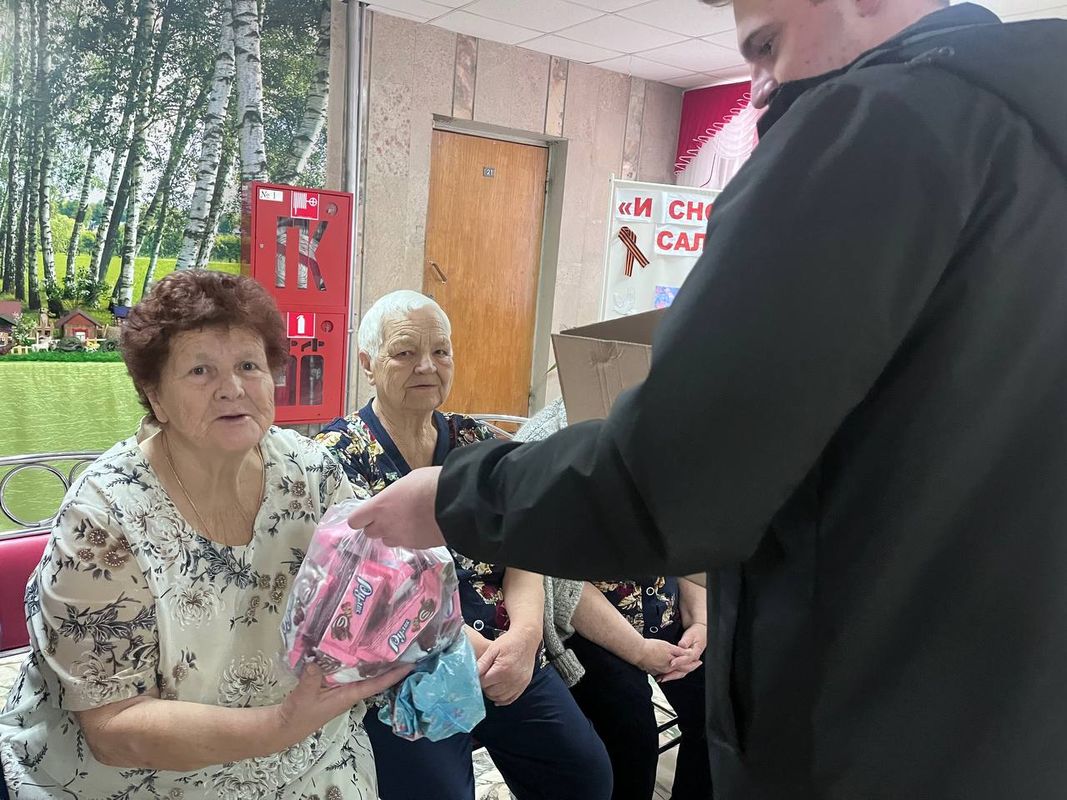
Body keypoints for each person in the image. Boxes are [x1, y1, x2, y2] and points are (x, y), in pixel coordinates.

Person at [344, 1, 1067, 798]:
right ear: (367, 363)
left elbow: (674, 480)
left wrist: (453, 496)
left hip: (866, 725)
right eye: (404, 353)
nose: (756, 89)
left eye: (767, 45)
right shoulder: (1028, 141)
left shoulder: (876, 128)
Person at [0, 271, 408, 800]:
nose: (232, 388)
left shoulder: (312, 473)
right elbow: (113, 729)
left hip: (309, 757)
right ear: (155, 396)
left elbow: (374, 587)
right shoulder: (104, 515)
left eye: (249, 366)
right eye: (200, 370)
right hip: (143, 779)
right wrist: (280, 725)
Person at [314, 290, 611, 800]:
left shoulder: (481, 443)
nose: (427, 366)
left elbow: (523, 549)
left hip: (507, 648)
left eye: (441, 351)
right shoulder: (334, 458)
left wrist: (525, 637)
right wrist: (484, 655)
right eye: (405, 352)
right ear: (367, 363)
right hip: (409, 671)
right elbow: (369, 595)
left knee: (585, 774)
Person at [518, 401, 711, 800]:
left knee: (726, 708)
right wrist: (638, 651)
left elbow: (691, 536)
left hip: (668, 605)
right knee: (631, 735)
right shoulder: (550, 439)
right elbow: (559, 583)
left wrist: (701, 620)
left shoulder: (680, 420)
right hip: (591, 626)